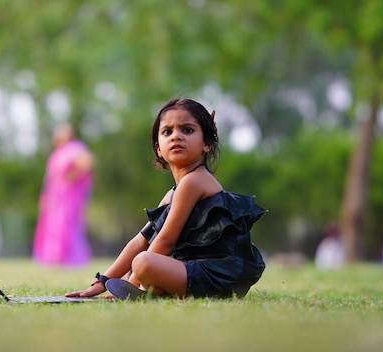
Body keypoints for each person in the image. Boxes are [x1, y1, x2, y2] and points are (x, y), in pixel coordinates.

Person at [66, 98, 266, 300]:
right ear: (159, 148)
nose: (176, 137)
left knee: (143, 263)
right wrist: (104, 281)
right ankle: (154, 291)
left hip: (218, 275)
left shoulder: (195, 181)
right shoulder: (174, 193)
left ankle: (144, 290)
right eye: (167, 132)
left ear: (207, 143)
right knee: (138, 263)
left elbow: (166, 241)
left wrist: (130, 284)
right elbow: (142, 239)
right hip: (194, 270)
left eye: (187, 130)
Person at [32, 123, 94, 267]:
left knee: (67, 223)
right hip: (55, 195)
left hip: (69, 196)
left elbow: (87, 163)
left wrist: (74, 175)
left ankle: (70, 257)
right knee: (53, 225)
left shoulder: (75, 148)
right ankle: (54, 256)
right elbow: (50, 177)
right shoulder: (58, 153)